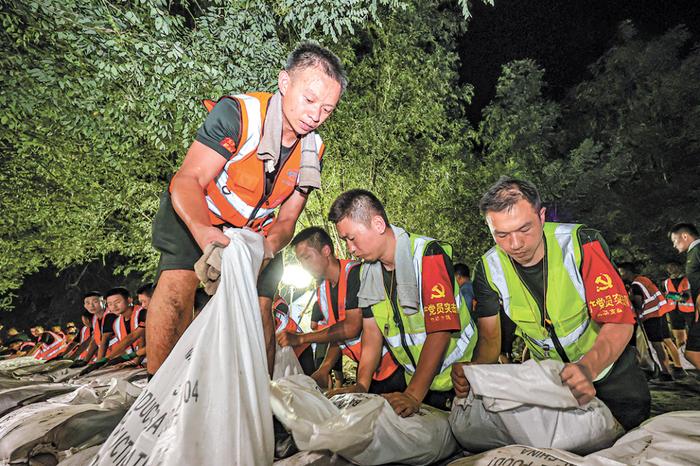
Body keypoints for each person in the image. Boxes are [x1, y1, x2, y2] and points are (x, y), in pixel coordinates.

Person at [146, 42, 346, 378]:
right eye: (309, 100)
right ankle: (160, 390)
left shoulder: (314, 148)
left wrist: (266, 249)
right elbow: (188, 179)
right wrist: (203, 231)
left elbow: (287, 218)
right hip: (198, 212)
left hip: (256, 232)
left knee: (261, 307)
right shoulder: (239, 114)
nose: (316, 115)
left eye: (327, 109)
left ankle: (260, 398)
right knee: (178, 284)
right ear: (285, 83)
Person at [453, 176, 650, 431]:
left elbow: (619, 321)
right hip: (551, 385)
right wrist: (475, 371)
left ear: (542, 216)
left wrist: (587, 368)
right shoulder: (488, 270)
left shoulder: (580, 243)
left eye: (524, 229)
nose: (515, 244)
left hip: (610, 375)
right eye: (501, 235)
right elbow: (491, 340)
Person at [328, 189, 478, 416]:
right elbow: (371, 334)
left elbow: (441, 332)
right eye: (345, 241)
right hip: (419, 384)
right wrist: (362, 385)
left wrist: (412, 395)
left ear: (378, 224)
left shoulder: (427, 255)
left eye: (352, 238)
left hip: (459, 382)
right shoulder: (365, 275)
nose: (350, 248)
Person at [277, 226, 401, 392]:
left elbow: (351, 328)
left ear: (326, 250)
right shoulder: (322, 288)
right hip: (368, 372)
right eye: (300, 261)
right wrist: (324, 368)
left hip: (395, 366)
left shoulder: (356, 274)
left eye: (307, 257)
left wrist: (301, 338)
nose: (304, 265)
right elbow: (338, 335)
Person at [618, 263, 683, 380]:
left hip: (651, 315)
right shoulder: (644, 279)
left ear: (628, 272)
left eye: (621, 272)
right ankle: (678, 368)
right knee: (667, 340)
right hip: (661, 311)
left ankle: (665, 373)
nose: (620, 274)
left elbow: (639, 303)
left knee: (657, 345)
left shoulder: (636, 285)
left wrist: (630, 298)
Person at [669, 223, 700, 369]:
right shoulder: (692, 253)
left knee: (692, 352)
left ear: (685, 236)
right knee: (691, 353)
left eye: (675, 240)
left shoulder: (697, 250)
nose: (674, 245)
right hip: (684, 313)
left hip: (690, 312)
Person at [272, 295, 316, 376]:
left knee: (310, 380)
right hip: (293, 349)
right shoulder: (274, 311)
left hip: (302, 348)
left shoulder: (279, 307)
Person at [663, 261, 696, 348]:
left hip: (689, 311)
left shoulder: (688, 280)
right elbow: (668, 296)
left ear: (679, 267)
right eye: (668, 267)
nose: (670, 268)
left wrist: (671, 295)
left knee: (695, 335)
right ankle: (682, 357)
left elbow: (685, 298)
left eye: (672, 266)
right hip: (673, 311)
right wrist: (677, 296)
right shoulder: (666, 282)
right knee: (679, 337)